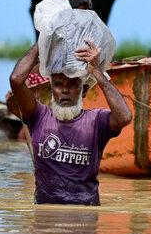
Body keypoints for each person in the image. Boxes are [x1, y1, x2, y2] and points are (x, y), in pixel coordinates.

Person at [7, 38, 132, 205]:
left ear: (84, 90)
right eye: (58, 84)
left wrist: (96, 72)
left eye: (72, 84)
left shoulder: (96, 121)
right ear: (51, 89)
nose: (65, 90)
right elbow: (16, 79)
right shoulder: (38, 116)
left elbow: (125, 117)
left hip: (85, 212)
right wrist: (44, 40)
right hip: (46, 213)